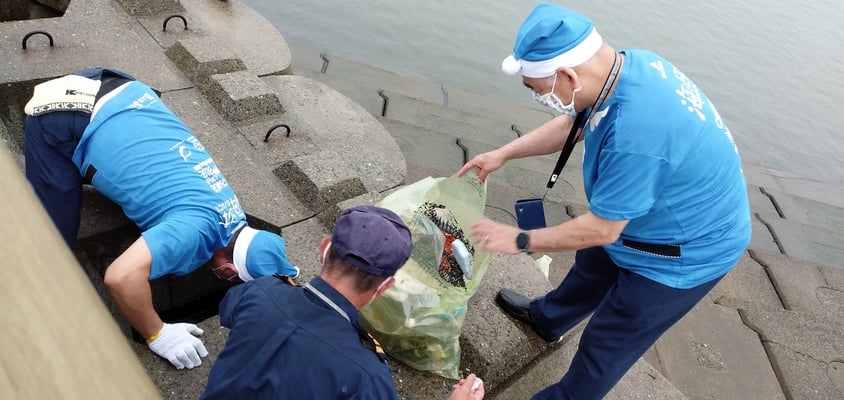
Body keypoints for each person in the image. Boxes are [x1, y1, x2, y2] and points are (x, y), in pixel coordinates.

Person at [457, 3, 751, 399]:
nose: (539, 97)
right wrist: (503, 154)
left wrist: (522, 239)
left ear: (568, 76)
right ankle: (547, 319)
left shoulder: (639, 135)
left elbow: (602, 228)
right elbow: (574, 122)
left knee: (607, 343)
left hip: (684, 251)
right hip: (648, 213)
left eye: (537, 89)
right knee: (591, 267)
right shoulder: (627, 67)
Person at [23, 67, 300, 370]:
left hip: (126, 90)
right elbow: (120, 277)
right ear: (228, 269)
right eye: (230, 279)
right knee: (52, 237)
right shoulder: (196, 230)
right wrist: (157, 333)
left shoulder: (229, 209)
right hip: (64, 112)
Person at [201, 205, 485, 400]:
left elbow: (229, 311)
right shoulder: (368, 376)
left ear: (324, 248)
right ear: (384, 287)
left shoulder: (259, 291)